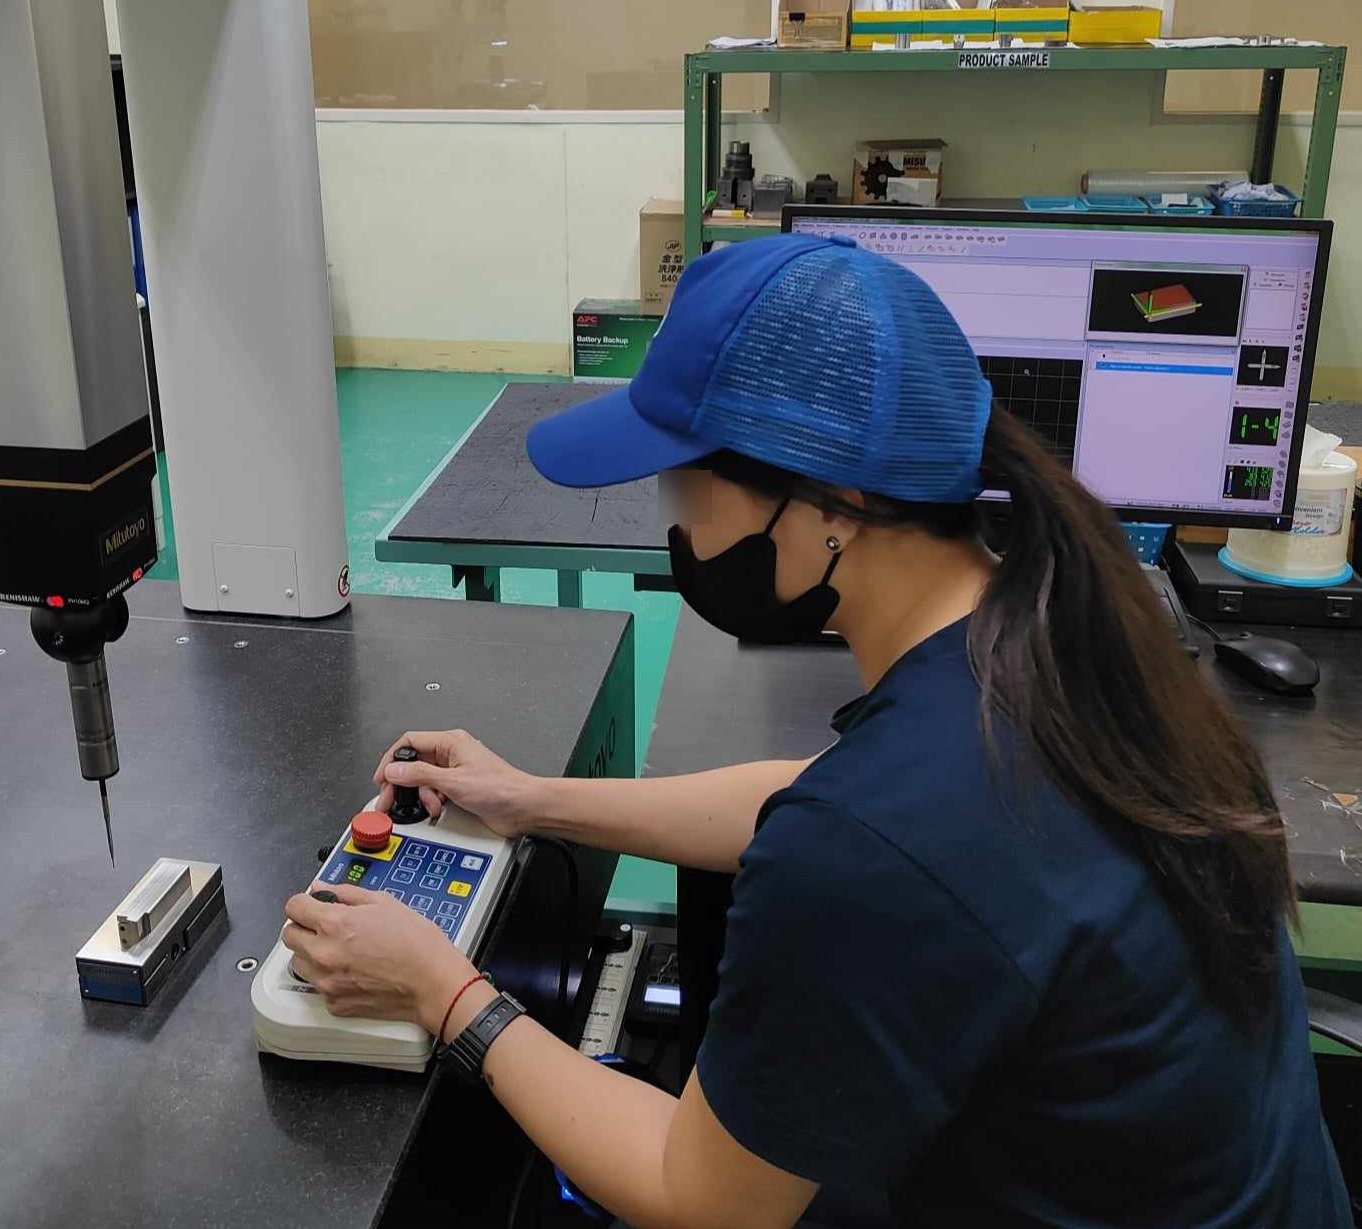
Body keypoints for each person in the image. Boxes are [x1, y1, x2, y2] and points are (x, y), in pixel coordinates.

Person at [281, 233, 1349, 1228]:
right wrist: (531, 798)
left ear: (831, 505)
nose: (673, 520)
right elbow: (816, 799)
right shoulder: (1058, 627)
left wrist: (446, 991)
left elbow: (699, 1197)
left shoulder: (879, 835)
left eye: (686, 483)